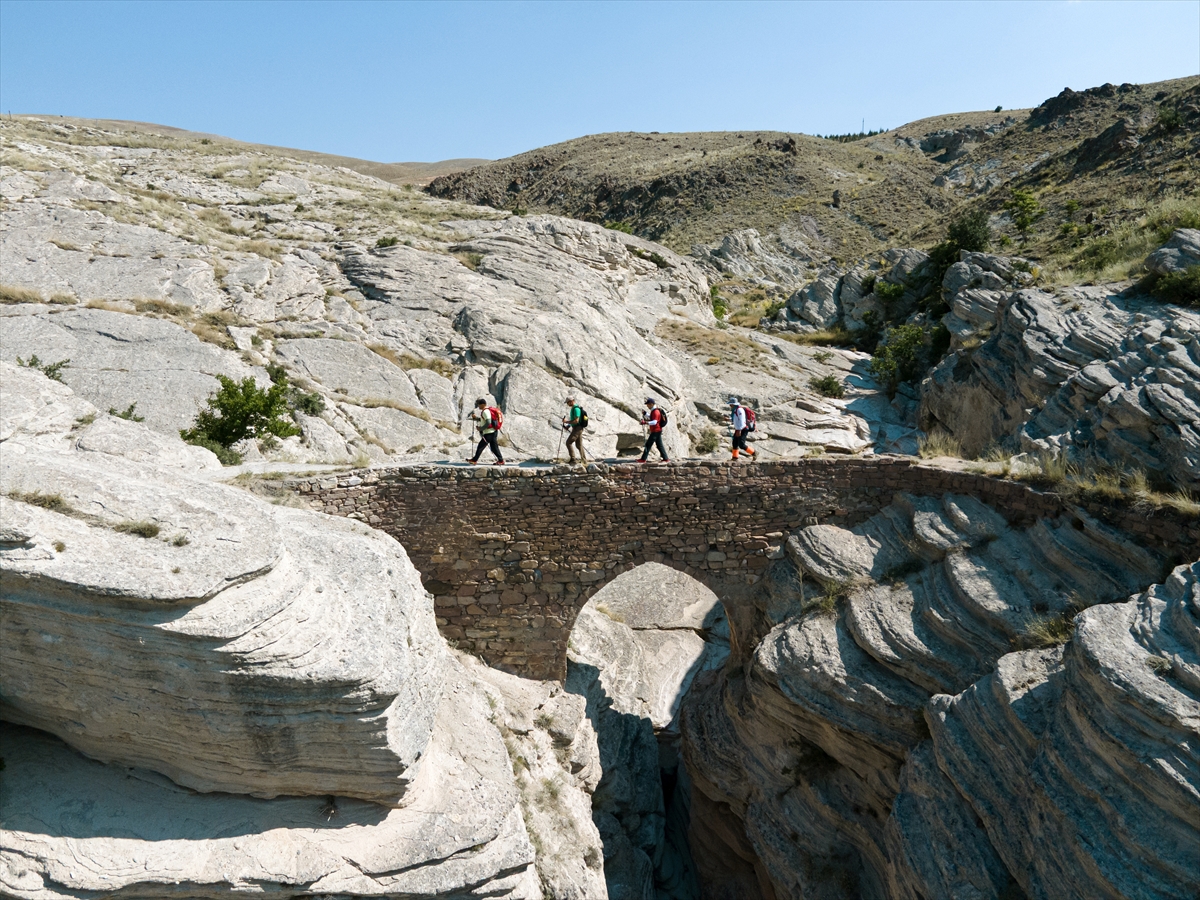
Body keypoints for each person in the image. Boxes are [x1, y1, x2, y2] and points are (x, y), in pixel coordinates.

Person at [468, 398, 505, 465]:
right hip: (492, 432)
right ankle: (501, 460)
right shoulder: (486, 411)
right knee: (494, 447)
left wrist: (481, 428)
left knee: (480, 446)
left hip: (489, 433)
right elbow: (484, 420)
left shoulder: (485, 411)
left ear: (483, 404)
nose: (478, 406)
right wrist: (476, 418)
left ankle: (474, 460)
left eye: (479, 404)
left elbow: (488, 422)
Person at [639, 397, 670, 463]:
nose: (647, 406)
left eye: (648, 404)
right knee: (659, 445)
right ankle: (666, 458)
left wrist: (645, 422)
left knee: (648, 444)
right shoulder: (655, 411)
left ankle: (643, 459)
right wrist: (645, 414)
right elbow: (651, 417)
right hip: (658, 430)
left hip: (655, 431)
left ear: (651, 404)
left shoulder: (655, 412)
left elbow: (654, 422)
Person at [729, 397, 756, 461]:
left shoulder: (739, 410)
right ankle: (735, 457)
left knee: (741, 444)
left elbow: (742, 421)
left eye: (731, 404)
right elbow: (736, 420)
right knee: (735, 443)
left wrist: (739, 430)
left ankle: (754, 453)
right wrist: (729, 419)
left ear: (734, 404)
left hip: (743, 429)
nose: (730, 405)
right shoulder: (735, 410)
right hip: (738, 429)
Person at [563, 396, 587, 464]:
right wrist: (568, 426)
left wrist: (566, 422)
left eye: (568, 403)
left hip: (578, 428)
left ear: (571, 401)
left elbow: (576, 421)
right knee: (579, 445)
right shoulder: (573, 409)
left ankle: (573, 459)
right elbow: (573, 420)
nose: (567, 404)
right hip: (577, 428)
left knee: (568, 442)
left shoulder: (576, 409)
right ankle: (584, 460)